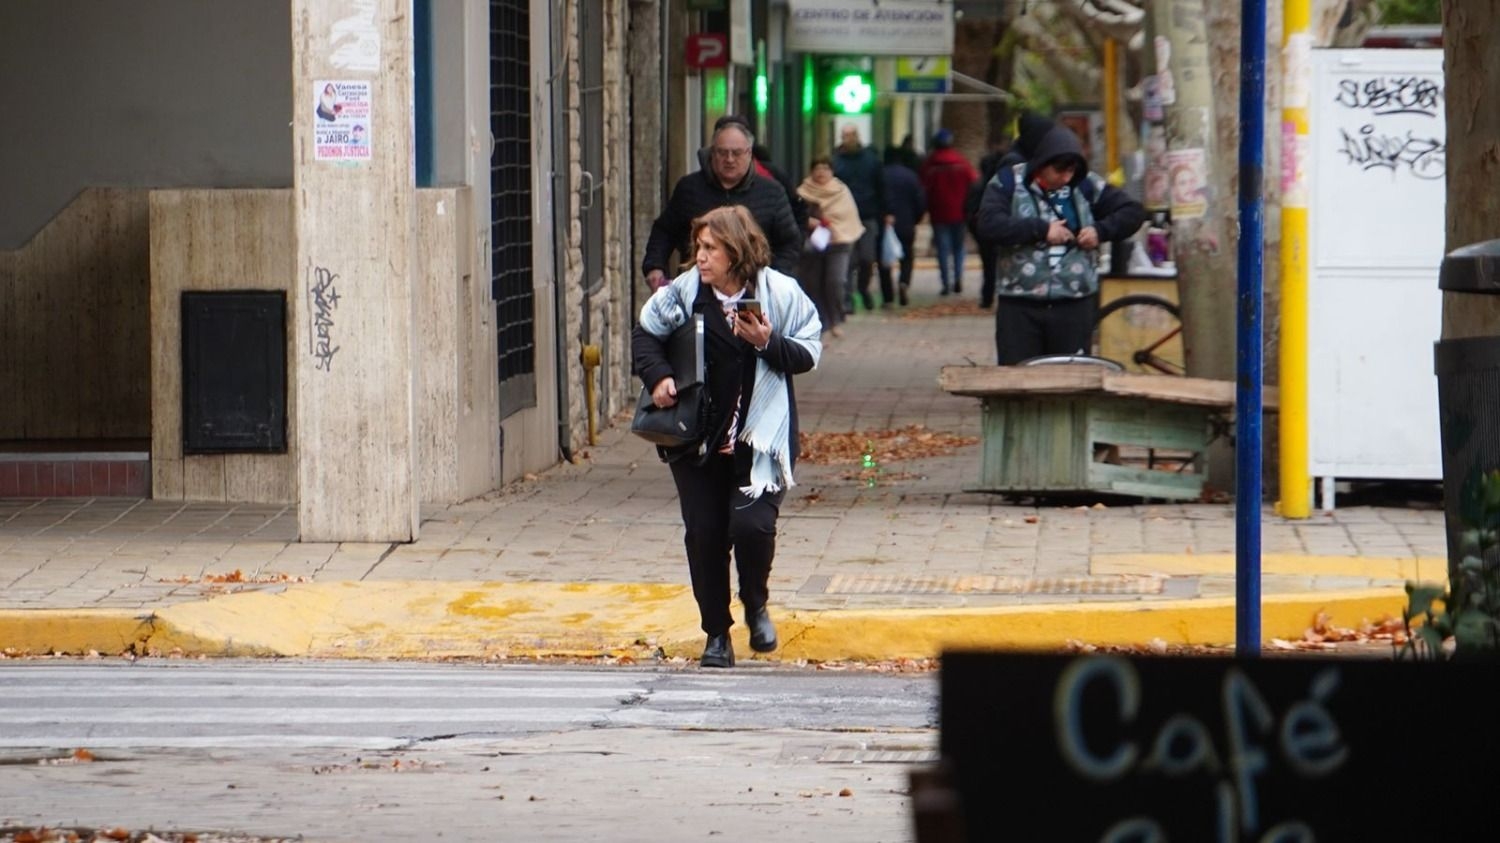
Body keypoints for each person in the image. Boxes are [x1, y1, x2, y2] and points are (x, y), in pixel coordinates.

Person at [632, 206, 823, 668]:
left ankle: (755, 602)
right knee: (705, 536)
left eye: (711, 248)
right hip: (697, 441)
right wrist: (658, 377)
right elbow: (646, 334)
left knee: (752, 527)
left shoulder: (778, 293)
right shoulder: (685, 293)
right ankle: (717, 633)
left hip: (761, 440)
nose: (700, 256)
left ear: (736, 252)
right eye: (698, 247)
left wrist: (766, 342)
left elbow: (809, 353)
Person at [977, 122, 1146, 365]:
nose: (1065, 178)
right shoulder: (1008, 182)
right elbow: (988, 224)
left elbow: (1132, 212)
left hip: (1073, 303)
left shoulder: (1086, 185)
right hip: (1019, 304)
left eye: (1071, 171)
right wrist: (1040, 229)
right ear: (1041, 164)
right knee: (1017, 378)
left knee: (1070, 377)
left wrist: (1100, 231)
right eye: (1059, 171)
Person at [642, 120, 802, 291]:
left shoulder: (772, 193)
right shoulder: (689, 188)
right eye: (722, 153)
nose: (729, 159)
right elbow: (665, 230)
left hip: (751, 293)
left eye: (737, 153)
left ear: (749, 153)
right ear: (712, 153)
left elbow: (790, 243)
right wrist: (655, 266)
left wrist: (772, 279)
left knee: (747, 319)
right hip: (697, 290)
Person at [965, 112, 1054, 308]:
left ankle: (987, 297)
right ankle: (988, 297)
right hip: (1006, 223)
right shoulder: (1014, 162)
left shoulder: (1023, 156)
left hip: (1008, 224)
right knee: (992, 264)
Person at [796, 156, 865, 336]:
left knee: (835, 282)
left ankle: (836, 319)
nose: (821, 172)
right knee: (813, 284)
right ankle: (821, 322)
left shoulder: (841, 191)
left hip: (839, 242)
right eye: (817, 168)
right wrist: (812, 223)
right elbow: (795, 216)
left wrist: (832, 226)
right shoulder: (802, 192)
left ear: (832, 171)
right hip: (813, 244)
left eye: (825, 168)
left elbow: (847, 216)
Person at [833, 124, 887, 310]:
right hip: (843, 217)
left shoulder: (870, 160)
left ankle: (863, 289)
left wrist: (884, 211)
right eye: (845, 135)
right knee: (847, 260)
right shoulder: (837, 161)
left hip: (867, 215)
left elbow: (881, 186)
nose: (848, 139)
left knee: (866, 258)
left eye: (851, 135)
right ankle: (847, 300)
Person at [919, 128, 978, 297]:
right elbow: (973, 182)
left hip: (938, 213)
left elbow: (923, 187)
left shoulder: (930, 165)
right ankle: (958, 276)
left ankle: (946, 282)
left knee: (943, 249)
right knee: (959, 247)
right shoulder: (961, 162)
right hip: (959, 212)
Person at [878, 146, 926, 306]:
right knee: (907, 256)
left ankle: (888, 296)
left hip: (884, 223)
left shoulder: (881, 175)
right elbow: (920, 200)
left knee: (884, 259)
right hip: (906, 222)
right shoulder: (910, 176)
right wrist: (916, 219)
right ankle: (904, 281)